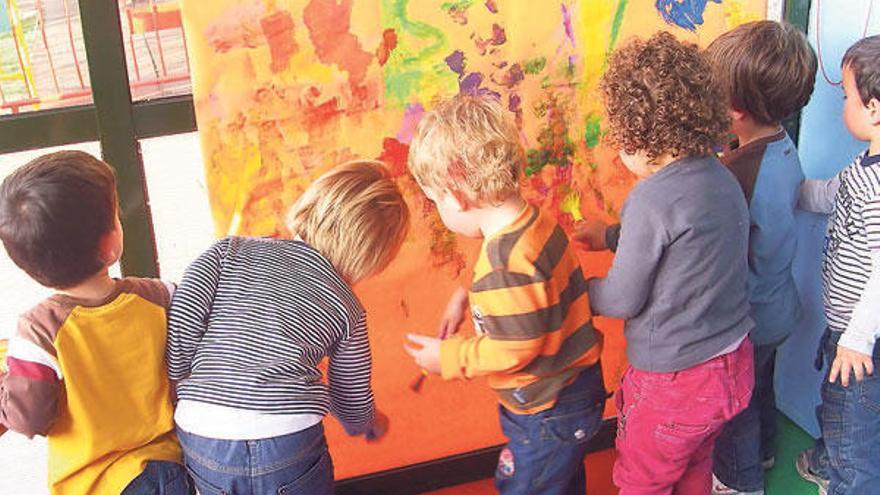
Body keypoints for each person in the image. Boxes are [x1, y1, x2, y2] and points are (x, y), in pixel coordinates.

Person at [404, 93, 606, 495]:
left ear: (457, 196)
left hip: (548, 407)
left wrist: (449, 357)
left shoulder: (504, 265)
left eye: (435, 201)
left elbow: (516, 348)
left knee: (529, 487)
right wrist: (466, 294)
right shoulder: (532, 221)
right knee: (559, 480)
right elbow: (528, 289)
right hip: (570, 390)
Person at [167, 160, 408, 495]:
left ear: (311, 205)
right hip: (288, 439)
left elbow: (184, 316)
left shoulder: (228, 252)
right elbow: (348, 394)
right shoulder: (347, 306)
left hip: (205, 428)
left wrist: (178, 377)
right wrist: (367, 423)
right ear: (372, 257)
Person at [588, 32, 754, 495]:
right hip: (731, 368)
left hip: (674, 384)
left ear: (640, 136)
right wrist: (608, 236)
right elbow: (689, 248)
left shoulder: (650, 198)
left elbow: (622, 298)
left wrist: (578, 291)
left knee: (645, 479)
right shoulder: (722, 176)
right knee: (696, 466)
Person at [0, 151, 188, 495]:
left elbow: (29, 418)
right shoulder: (161, 297)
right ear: (110, 244)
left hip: (98, 485)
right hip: (174, 467)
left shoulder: (38, 332)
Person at [795, 35, 880, 495]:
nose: (841, 104)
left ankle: (848, 481)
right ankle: (829, 459)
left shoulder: (877, 186)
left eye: (846, 95)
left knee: (855, 427)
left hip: (862, 342)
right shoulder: (864, 168)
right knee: (840, 406)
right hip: (849, 333)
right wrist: (790, 187)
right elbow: (830, 194)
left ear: (874, 109)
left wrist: (857, 341)